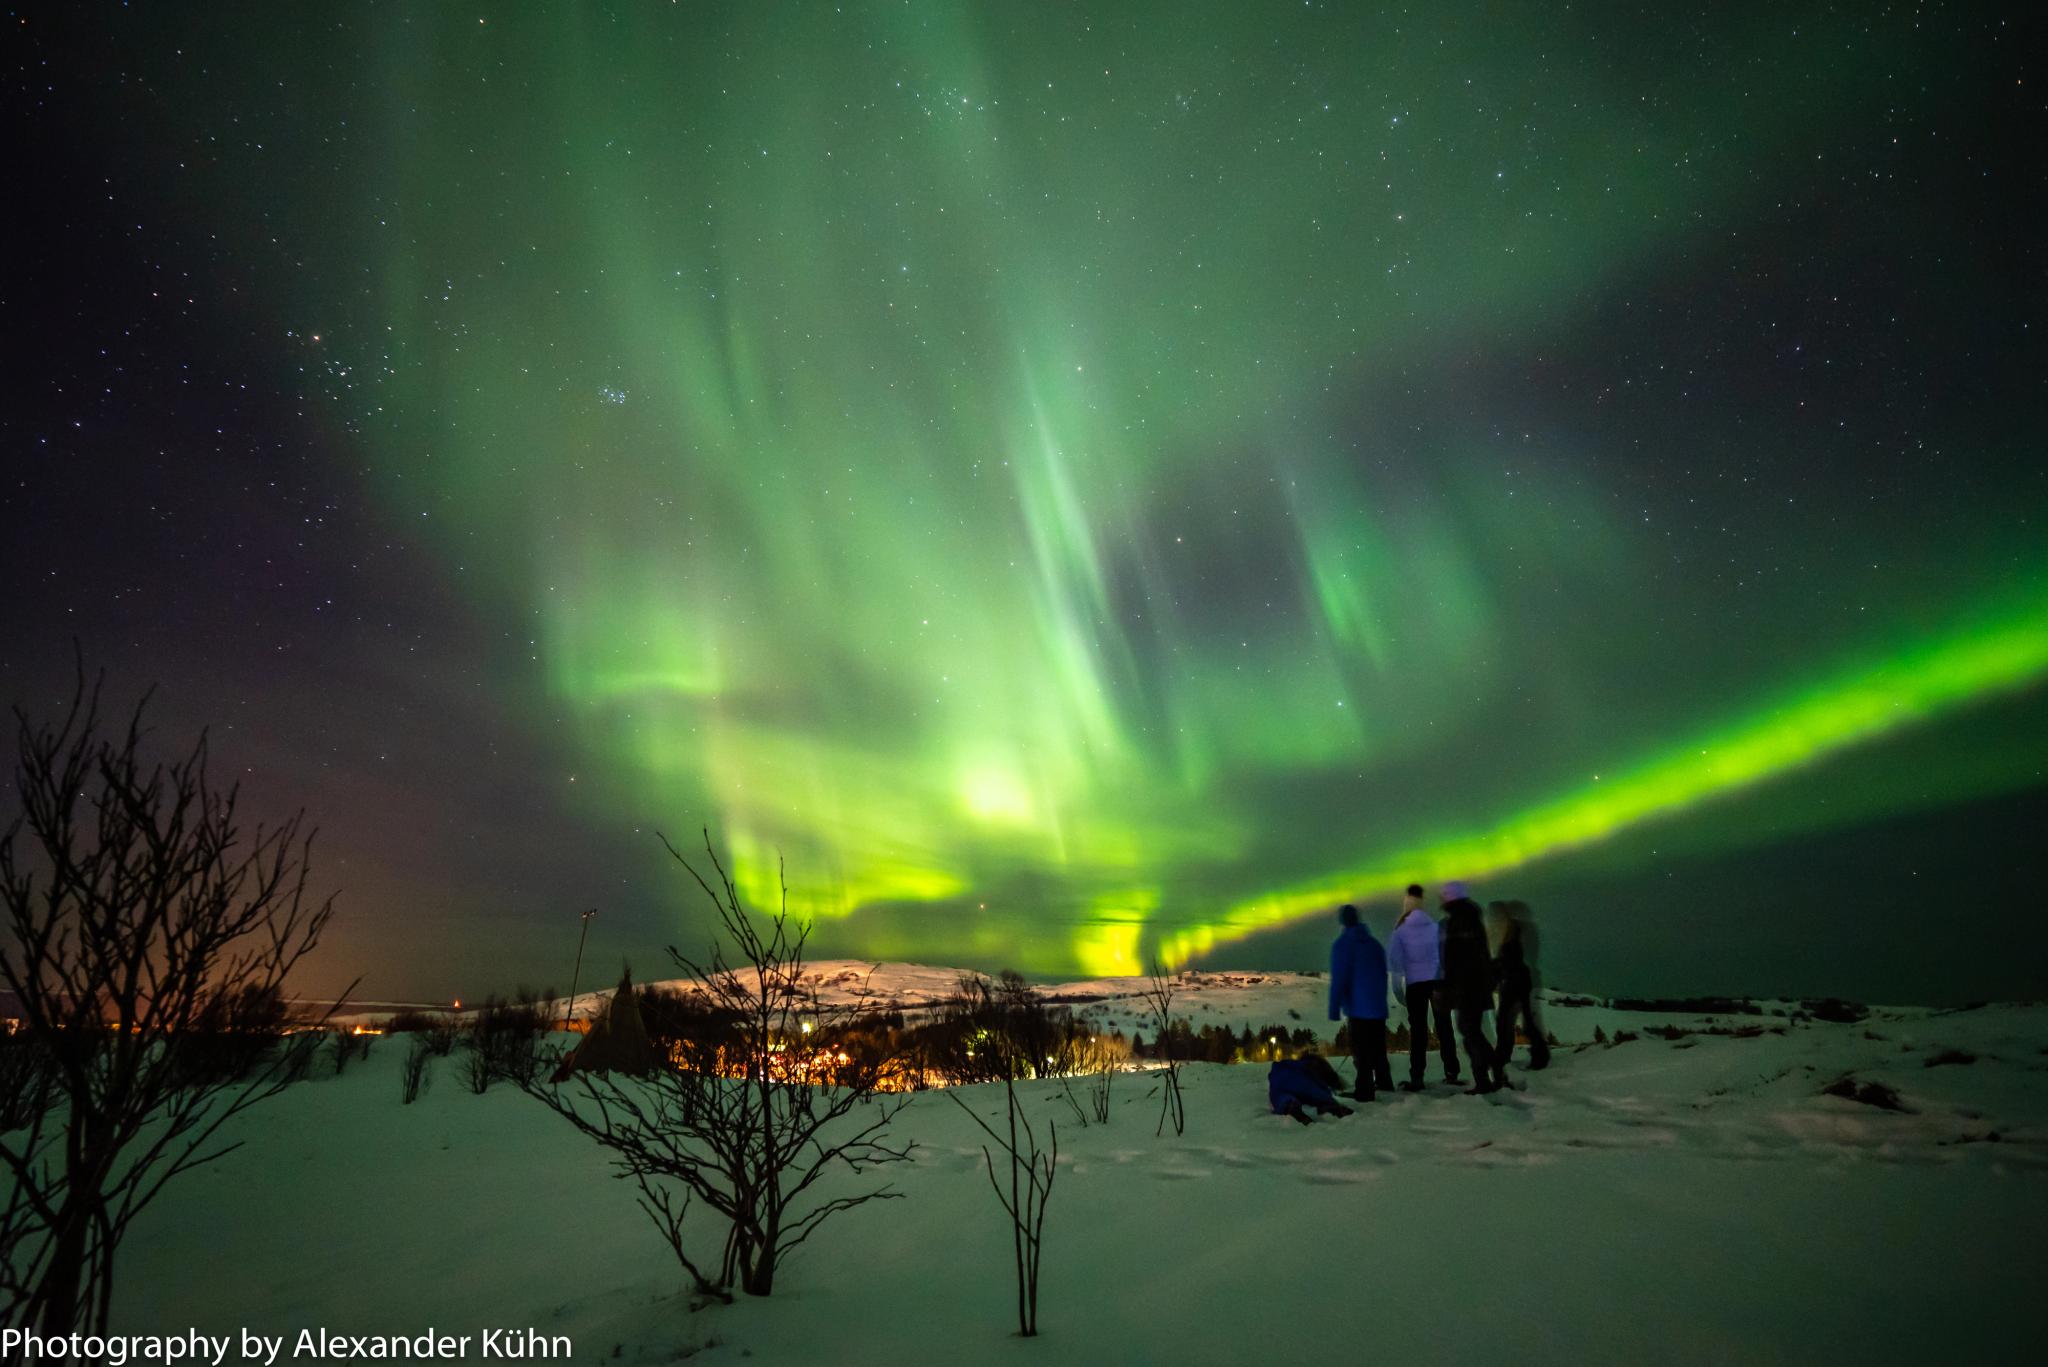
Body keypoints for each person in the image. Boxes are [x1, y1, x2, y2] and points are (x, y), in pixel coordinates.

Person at [1386, 883, 1460, 1090]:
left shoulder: (1401, 930)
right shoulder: (1434, 927)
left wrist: (1398, 990)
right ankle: (1452, 1071)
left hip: (1415, 984)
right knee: (1444, 1027)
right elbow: (1444, 955)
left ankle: (1417, 1076)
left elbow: (1396, 963)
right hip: (1437, 982)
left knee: (1418, 1031)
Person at [1438, 881, 1506, 1094]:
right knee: (1471, 1031)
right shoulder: (1471, 918)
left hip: (1466, 987)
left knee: (1469, 1031)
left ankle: (1490, 1071)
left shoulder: (1458, 921)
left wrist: (1449, 987)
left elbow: (1456, 959)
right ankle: (1487, 1075)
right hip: (1475, 985)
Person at [1328, 904, 1393, 1101]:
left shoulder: (1342, 945)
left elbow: (1339, 978)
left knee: (1361, 1050)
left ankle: (1364, 1091)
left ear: (1343, 922)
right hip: (1377, 1006)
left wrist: (1334, 1008)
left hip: (1358, 1007)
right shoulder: (1374, 944)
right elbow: (1383, 974)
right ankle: (1384, 1083)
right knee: (1378, 1048)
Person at [1491, 900, 1550, 1071]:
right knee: (1512, 1021)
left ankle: (1533, 1057)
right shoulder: (1512, 931)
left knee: (1510, 1021)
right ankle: (1509, 1056)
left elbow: (1512, 959)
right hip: (1517, 981)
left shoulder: (1513, 931)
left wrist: (1496, 970)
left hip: (1516, 982)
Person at [1266, 1053, 1355, 1125]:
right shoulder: (1309, 1069)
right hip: (1297, 1082)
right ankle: (1328, 1106)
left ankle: (1290, 1107)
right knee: (1314, 1094)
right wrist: (1331, 1101)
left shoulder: (1287, 1066)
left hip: (1279, 1084)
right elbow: (1313, 1089)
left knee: (1283, 1097)